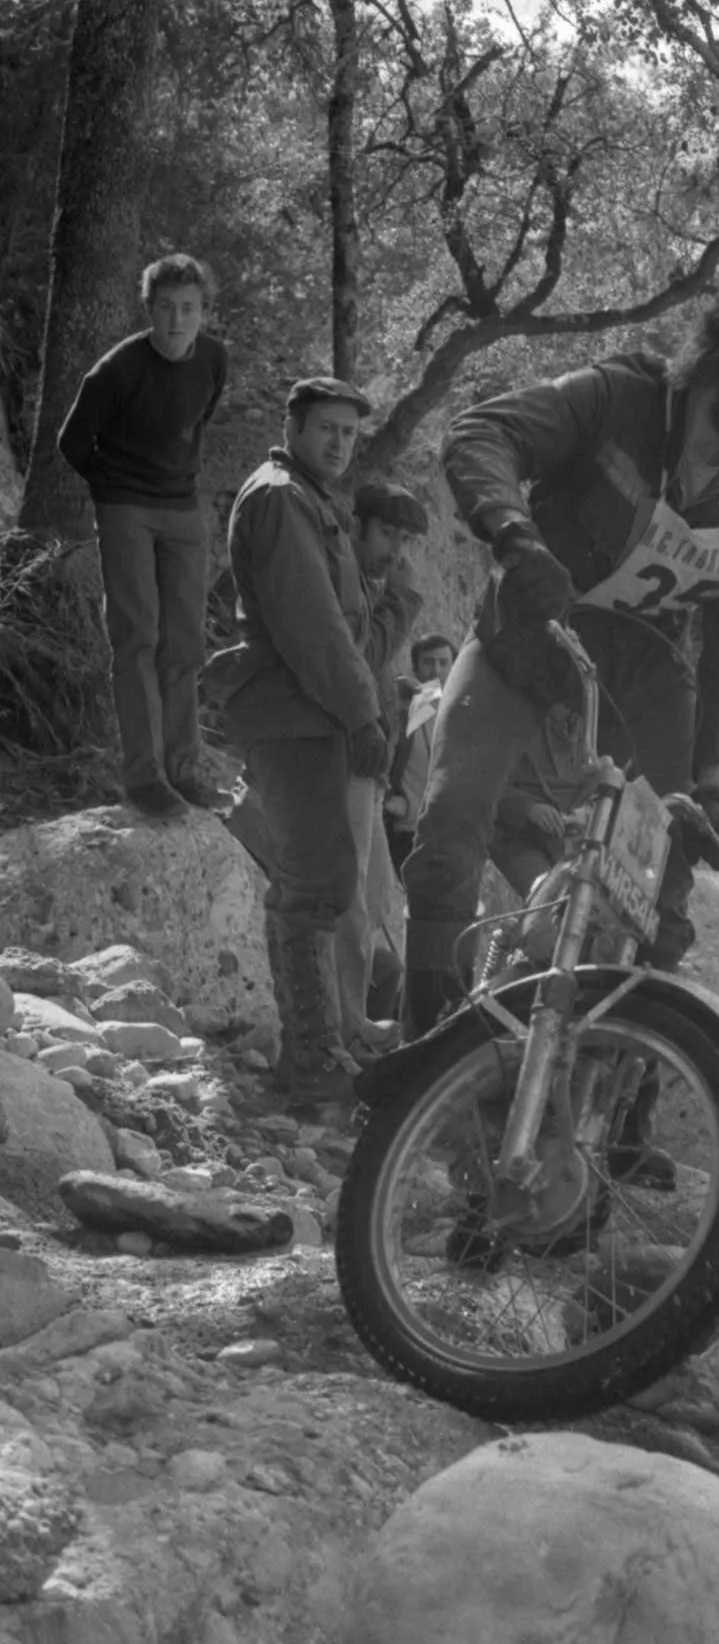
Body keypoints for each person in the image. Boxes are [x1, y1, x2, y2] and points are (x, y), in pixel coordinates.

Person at [400, 270, 719, 1042]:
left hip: (642, 680)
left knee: (659, 890)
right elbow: (481, 434)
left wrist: (714, 776)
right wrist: (515, 536)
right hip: (526, 642)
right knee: (450, 824)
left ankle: (613, 1081)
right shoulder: (618, 399)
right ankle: (421, 1051)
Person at [203, 379, 419, 1108]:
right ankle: (310, 1059)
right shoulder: (281, 499)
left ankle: (317, 1050)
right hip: (293, 716)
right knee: (311, 885)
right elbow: (315, 630)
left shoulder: (309, 500)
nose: (339, 443)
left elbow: (347, 633)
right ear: (292, 427)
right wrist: (362, 717)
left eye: (349, 433)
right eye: (327, 428)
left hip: (307, 714)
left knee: (319, 881)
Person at [57, 253, 228, 816]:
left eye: (188, 309)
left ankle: (183, 770)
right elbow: (72, 443)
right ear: (149, 309)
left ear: (204, 312)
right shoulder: (117, 370)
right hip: (125, 507)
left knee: (185, 643)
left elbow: (196, 421)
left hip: (182, 506)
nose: (177, 321)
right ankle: (144, 778)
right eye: (166, 308)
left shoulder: (213, 359)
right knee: (137, 640)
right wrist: (114, 487)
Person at [340, 481, 429, 1049]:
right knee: (350, 899)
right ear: (358, 527)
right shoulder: (349, 581)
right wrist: (405, 599)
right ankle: (344, 1025)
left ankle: (352, 1018)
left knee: (370, 900)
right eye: (387, 534)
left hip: (369, 766)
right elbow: (360, 654)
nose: (396, 551)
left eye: (404, 540)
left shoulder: (369, 585)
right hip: (347, 760)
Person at [384, 632, 457, 874]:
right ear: (416, 667)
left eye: (444, 663)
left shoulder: (464, 713)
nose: (436, 670)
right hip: (410, 832)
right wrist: (396, 805)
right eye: (428, 662)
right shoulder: (413, 709)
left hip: (454, 833)